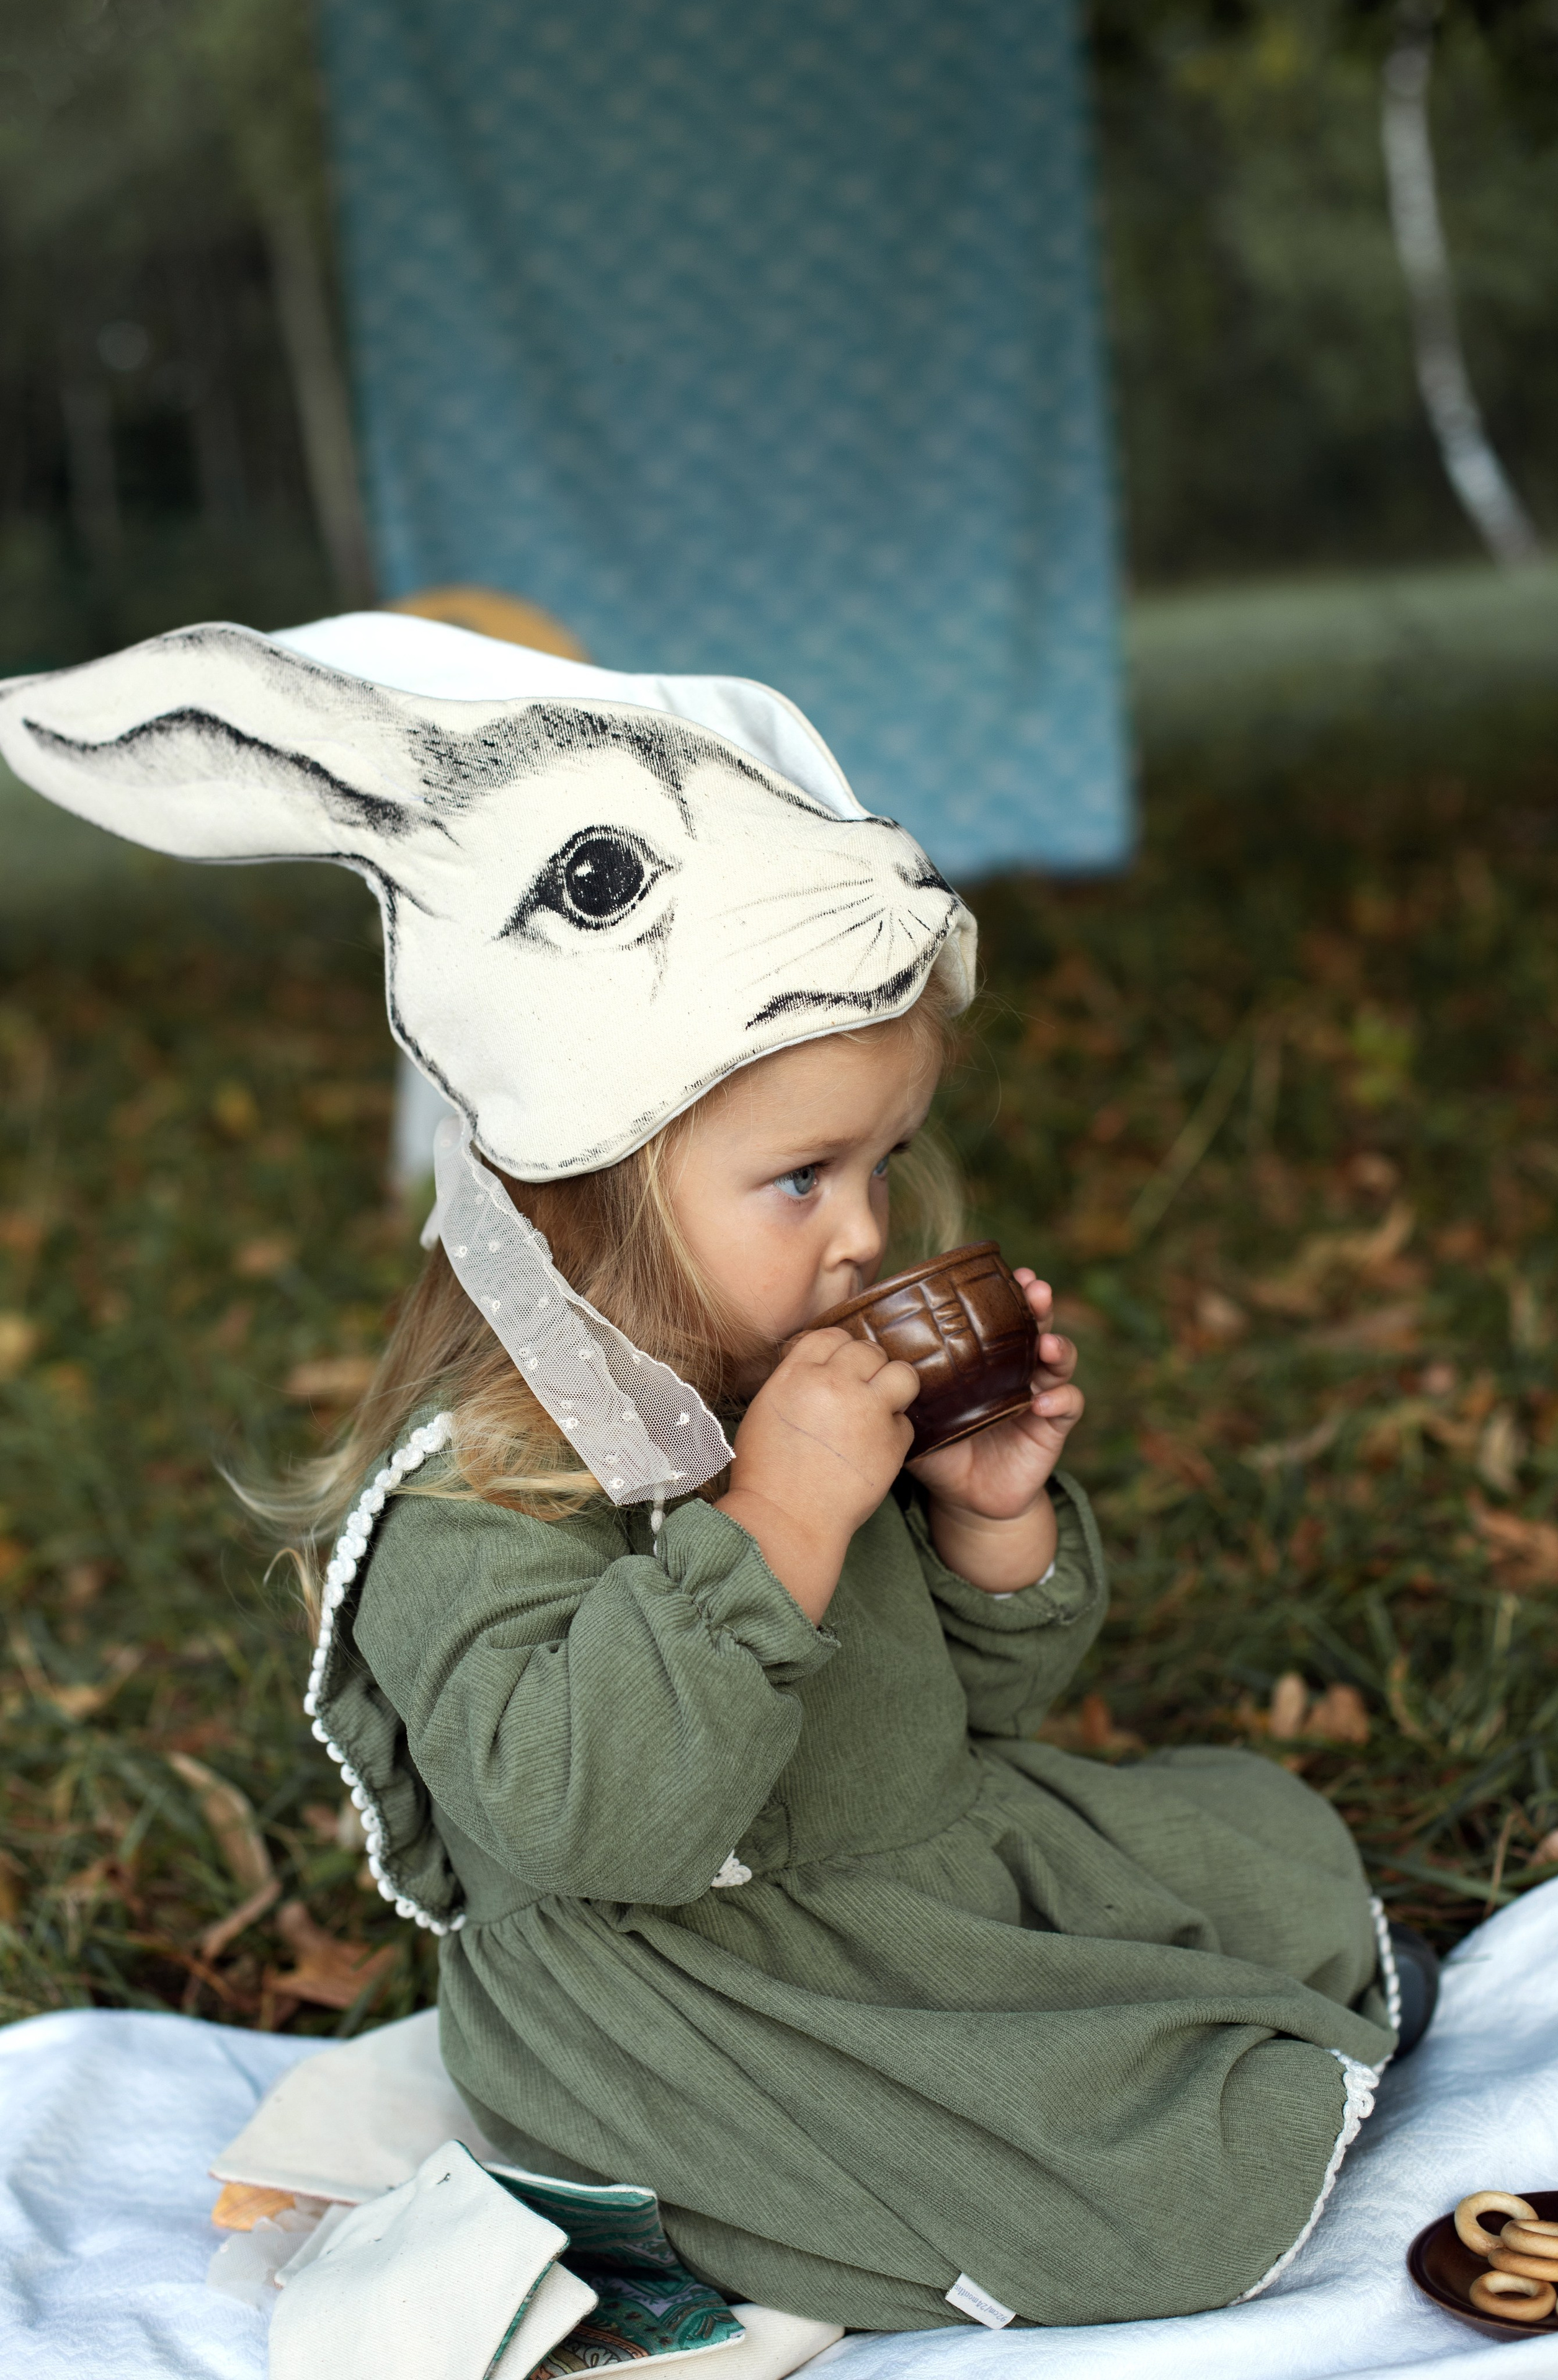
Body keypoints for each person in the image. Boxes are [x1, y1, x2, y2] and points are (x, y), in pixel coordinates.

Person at [0, 614, 1405, 2335]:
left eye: (884, 1161)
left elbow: (967, 1705)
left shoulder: (782, 1390)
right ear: (584, 1197)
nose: (873, 1231)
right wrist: (785, 1520)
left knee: (1266, 1860)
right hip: (708, 2010)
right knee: (1158, 2180)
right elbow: (603, 1820)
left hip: (909, 1878)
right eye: (804, 1177)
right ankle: (857, 2200)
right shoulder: (475, 1511)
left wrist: (989, 1518)